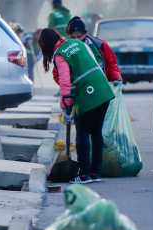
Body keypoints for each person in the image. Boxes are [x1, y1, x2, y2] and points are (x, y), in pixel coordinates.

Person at [39, 28, 115, 184]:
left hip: (88, 94)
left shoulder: (60, 54)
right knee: (96, 132)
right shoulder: (77, 43)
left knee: (82, 133)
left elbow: (65, 81)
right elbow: (95, 62)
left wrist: (64, 108)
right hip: (104, 90)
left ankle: (84, 174)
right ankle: (95, 172)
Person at [53, 16, 123, 157]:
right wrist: (70, 90)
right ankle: (89, 168)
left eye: (80, 36)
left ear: (86, 33)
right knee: (84, 132)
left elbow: (111, 63)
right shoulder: (67, 50)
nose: (77, 40)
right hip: (81, 96)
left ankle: (92, 169)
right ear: (68, 36)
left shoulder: (99, 45)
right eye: (73, 37)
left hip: (101, 93)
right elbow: (58, 75)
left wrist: (116, 77)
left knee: (96, 131)